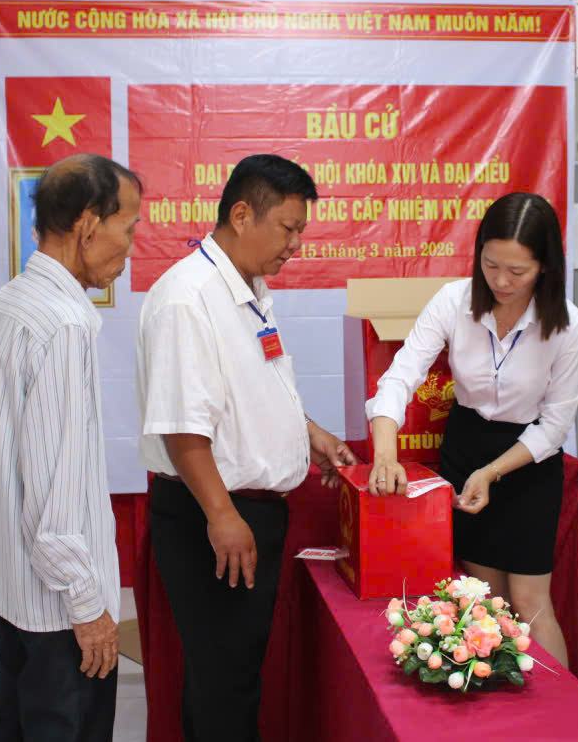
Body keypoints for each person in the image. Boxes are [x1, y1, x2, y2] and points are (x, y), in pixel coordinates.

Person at [135, 153, 356, 742]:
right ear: (240, 215)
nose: (295, 245)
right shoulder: (188, 298)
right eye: (287, 229)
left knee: (229, 677)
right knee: (224, 684)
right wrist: (223, 516)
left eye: (300, 231)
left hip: (243, 512)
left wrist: (310, 434)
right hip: (211, 515)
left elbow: (254, 387)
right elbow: (183, 426)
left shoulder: (249, 288)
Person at [0, 154, 142, 742]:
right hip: (57, 606)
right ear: (88, 223)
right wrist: (88, 605)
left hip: (14, 591)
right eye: (127, 228)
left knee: (15, 722)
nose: (129, 247)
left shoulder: (6, 303)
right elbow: (53, 489)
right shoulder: (64, 324)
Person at [365, 192, 578, 669]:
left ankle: (559, 708)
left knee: (530, 603)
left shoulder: (569, 327)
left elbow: (554, 426)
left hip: (528, 461)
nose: (502, 282)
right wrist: (385, 454)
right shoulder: (454, 301)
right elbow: (400, 377)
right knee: (484, 600)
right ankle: (499, 704)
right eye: (491, 265)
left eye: (518, 271)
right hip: (466, 449)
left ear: (545, 267)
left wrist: (492, 472)